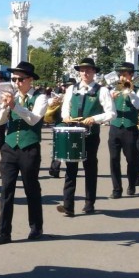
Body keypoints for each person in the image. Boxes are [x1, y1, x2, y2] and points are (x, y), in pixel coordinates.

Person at [0, 61, 47, 246]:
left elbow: (33, 119)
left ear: (30, 80)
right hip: (9, 148)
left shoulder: (40, 98)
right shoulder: (11, 96)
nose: (16, 83)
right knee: (6, 190)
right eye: (13, 79)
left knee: (31, 188)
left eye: (20, 79)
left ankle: (36, 227)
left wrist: (15, 106)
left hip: (29, 148)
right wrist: (5, 107)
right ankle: (3, 232)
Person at [55, 58, 116, 217]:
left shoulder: (101, 90)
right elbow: (65, 108)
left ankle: (89, 203)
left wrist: (95, 119)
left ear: (94, 72)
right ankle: (68, 205)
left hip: (90, 135)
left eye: (88, 70)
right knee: (70, 169)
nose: (85, 73)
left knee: (90, 169)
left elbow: (111, 113)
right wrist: (66, 116)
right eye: (82, 70)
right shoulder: (72, 89)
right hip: (73, 133)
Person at [108, 62, 139, 199]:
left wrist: (130, 92)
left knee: (131, 159)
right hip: (115, 127)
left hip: (130, 128)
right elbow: (107, 107)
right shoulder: (113, 88)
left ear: (131, 75)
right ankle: (116, 189)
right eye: (121, 75)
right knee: (114, 159)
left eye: (125, 75)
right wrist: (111, 99)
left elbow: (137, 105)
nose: (122, 77)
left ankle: (131, 185)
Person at [48, 77, 77, 178]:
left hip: (72, 124)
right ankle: (54, 169)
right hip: (59, 123)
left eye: (68, 86)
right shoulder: (59, 96)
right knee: (57, 146)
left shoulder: (76, 96)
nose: (66, 88)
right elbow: (49, 111)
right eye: (65, 86)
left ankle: (69, 170)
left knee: (71, 147)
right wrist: (53, 103)